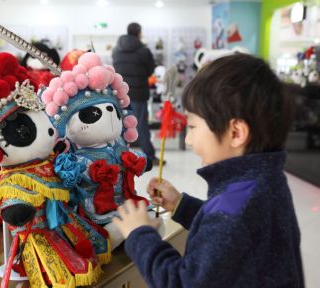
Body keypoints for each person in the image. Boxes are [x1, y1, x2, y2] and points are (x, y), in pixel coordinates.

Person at [112, 54, 304, 288]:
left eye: (192, 126)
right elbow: (231, 236)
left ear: (235, 133)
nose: (190, 140)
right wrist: (182, 204)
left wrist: (139, 234)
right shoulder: (264, 181)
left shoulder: (235, 206)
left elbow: (182, 282)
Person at [112, 22, 157, 168]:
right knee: (141, 124)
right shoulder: (143, 51)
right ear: (139, 33)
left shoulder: (117, 50)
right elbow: (151, 70)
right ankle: (149, 156)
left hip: (121, 92)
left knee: (120, 125)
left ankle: (119, 156)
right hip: (139, 93)